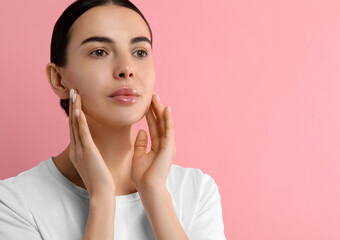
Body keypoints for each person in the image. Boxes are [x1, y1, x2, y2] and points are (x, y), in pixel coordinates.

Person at [0, 0, 226, 239]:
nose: (127, 68)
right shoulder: (13, 204)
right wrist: (101, 199)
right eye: (99, 52)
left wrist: (155, 193)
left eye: (139, 52)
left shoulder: (197, 191)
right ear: (58, 79)